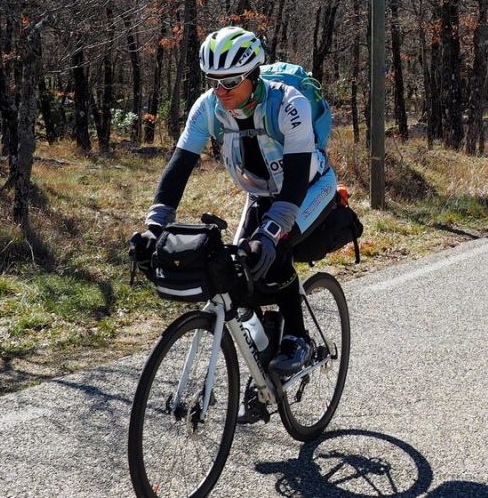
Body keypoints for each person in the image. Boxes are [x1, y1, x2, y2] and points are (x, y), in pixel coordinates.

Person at [131, 25, 337, 386]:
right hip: (260, 193)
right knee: (238, 273)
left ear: (253, 74)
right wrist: (155, 226)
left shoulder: (289, 105)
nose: (220, 92)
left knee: (276, 249)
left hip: (307, 187)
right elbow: (178, 168)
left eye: (230, 82)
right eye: (213, 82)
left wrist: (272, 234)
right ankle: (264, 369)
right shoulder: (208, 107)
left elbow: (292, 184)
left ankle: (298, 339)